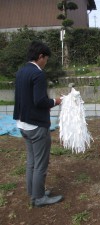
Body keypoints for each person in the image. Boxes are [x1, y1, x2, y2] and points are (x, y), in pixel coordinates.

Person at [13, 41, 63, 207]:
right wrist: (56, 101)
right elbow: (40, 100)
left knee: (32, 162)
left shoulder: (21, 72)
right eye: (46, 59)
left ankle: (34, 193)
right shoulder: (38, 74)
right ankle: (39, 198)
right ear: (40, 56)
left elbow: (25, 98)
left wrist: (43, 107)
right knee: (41, 164)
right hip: (36, 126)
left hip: (22, 123)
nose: (46, 62)